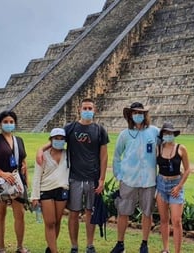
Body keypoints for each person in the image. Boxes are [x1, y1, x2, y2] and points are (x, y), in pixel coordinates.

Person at [37, 98, 109, 253]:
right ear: (79, 109)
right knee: (74, 213)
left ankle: (90, 245)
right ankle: (74, 245)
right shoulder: (71, 128)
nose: (87, 111)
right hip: (74, 177)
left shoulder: (99, 130)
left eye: (90, 108)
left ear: (94, 110)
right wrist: (41, 149)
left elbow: (104, 156)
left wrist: (102, 179)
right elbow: (56, 139)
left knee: (90, 212)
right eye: (85, 108)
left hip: (92, 177)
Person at [110, 102, 159, 253]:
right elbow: (117, 156)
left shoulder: (155, 132)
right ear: (131, 115)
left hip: (148, 180)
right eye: (135, 113)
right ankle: (120, 243)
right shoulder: (124, 135)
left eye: (140, 113)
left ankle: (144, 244)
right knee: (123, 212)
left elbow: (166, 149)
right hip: (129, 179)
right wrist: (119, 175)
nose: (138, 115)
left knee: (147, 212)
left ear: (145, 115)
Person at [0, 110, 30, 253]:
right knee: (0, 214)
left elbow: (23, 161)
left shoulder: (19, 140)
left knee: (20, 214)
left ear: (15, 124)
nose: (8, 124)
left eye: (11, 122)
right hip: (0, 183)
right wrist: (0, 173)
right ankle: (1, 247)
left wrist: (26, 181)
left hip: (17, 181)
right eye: (5, 122)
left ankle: (20, 246)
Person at [31, 128, 69, 253]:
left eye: (61, 139)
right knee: (50, 222)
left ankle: (51, 248)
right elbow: (36, 176)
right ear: (51, 140)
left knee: (57, 221)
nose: (59, 141)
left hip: (62, 189)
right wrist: (35, 196)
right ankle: (54, 251)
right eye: (56, 138)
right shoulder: (43, 155)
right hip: (46, 190)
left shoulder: (68, 154)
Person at [156, 122, 190, 253]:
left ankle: (177, 251)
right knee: (164, 220)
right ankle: (165, 249)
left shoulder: (181, 149)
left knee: (176, 220)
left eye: (170, 133)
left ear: (174, 134)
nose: (168, 135)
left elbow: (187, 170)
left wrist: (179, 186)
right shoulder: (158, 149)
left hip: (175, 184)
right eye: (165, 133)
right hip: (161, 184)